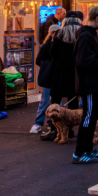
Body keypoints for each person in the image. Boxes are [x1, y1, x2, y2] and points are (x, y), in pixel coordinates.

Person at [72, 6, 98, 164]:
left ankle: (88, 149)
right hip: (89, 83)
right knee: (89, 116)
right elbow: (84, 62)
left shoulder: (89, 35)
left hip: (92, 82)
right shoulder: (86, 36)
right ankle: (79, 152)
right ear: (97, 18)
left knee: (92, 116)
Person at [42, 11, 82, 141]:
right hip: (75, 72)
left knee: (56, 100)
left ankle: (55, 130)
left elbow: (52, 52)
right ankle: (70, 129)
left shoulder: (60, 33)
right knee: (73, 101)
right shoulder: (81, 33)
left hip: (60, 72)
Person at [31, 24, 59, 134]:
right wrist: (49, 64)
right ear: (52, 34)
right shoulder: (46, 46)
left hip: (54, 75)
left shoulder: (56, 45)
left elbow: (39, 60)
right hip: (49, 76)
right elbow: (38, 60)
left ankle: (52, 123)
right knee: (45, 100)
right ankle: (38, 122)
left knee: (55, 101)